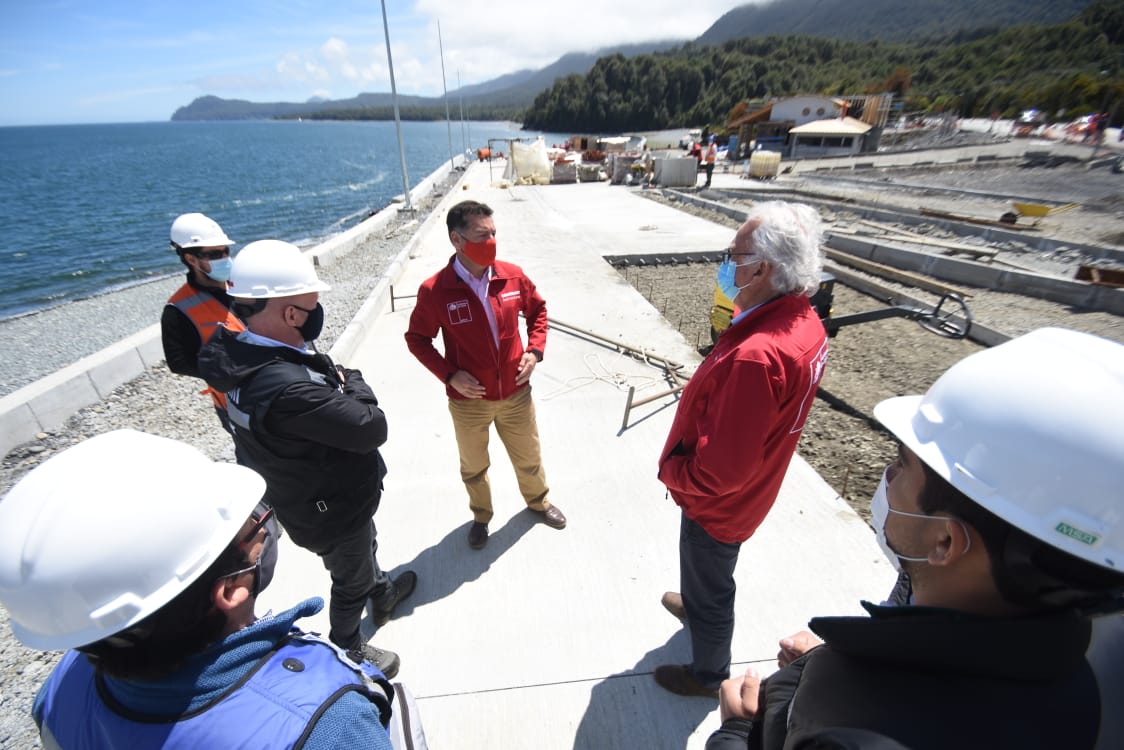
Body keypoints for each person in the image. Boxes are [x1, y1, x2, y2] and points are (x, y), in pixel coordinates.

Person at [706, 327, 1124, 750]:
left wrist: (738, 731)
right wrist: (820, 665)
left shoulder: (849, 734)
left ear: (945, 541)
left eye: (902, 465)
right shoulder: (1086, 666)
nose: (888, 476)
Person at [0, 429, 396, 749]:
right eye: (254, 525)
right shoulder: (329, 723)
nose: (262, 524)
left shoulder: (61, 688)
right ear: (231, 588)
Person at [198, 240, 414, 676]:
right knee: (349, 575)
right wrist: (352, 380)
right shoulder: (286, 386)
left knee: (362, 547)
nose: (317, 313)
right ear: (292, 314)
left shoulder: (231, 352)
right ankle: (349, 646)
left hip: (303, 495)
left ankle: (383, 588)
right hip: (328, 507)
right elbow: (371, 426)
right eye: (311, 304)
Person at [655, 201, 830, 698]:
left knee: (712, 580)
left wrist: (675, 473)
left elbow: (720, 474)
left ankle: (707, 673)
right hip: (755, 488)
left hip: (719, 504)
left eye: (734, 254)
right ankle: (694, 598)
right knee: (709, 569)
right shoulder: (804, 320)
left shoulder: (757, 356)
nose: (727, 263)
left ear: (762, 268)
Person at [405, 200, 566, 550]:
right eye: (482, 235)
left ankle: (539, 502)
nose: (491, 241)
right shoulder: (435, 291)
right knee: (474, 466)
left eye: (493, 233)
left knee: (529, 455)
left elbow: (538, 311)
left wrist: (534, 351)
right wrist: (449, 375)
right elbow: (417, 339)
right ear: (456, 240)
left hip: (515, 394)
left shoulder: (512, 275)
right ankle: (481, 516)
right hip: (469, 402)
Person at [161, 212, 245, 433]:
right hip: (235, 402)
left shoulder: (243, 282)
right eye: (215, 254)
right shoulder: (177, 310)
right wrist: (229, 370)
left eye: (226, 251)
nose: (225, 258)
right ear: (191, 259)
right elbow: (179, 362)